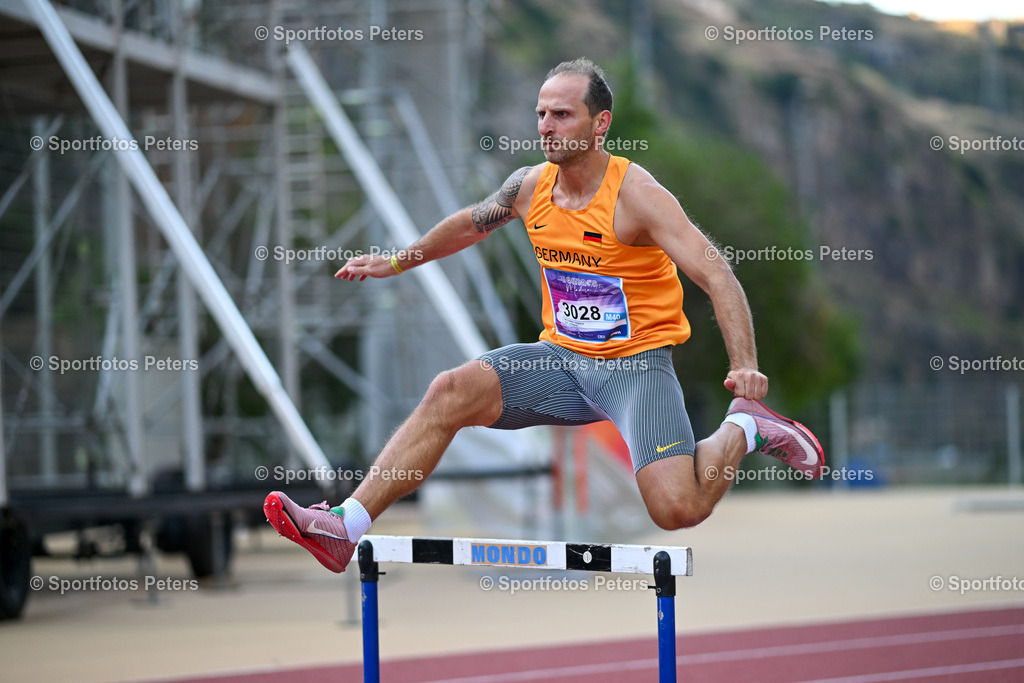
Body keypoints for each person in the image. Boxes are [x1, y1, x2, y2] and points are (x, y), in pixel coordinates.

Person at [264, 58, 823, 573]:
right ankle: (344, 526)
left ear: (600, 123)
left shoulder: (638, 196)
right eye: (541, 114)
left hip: (635, 368)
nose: (546, 126)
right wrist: (398, 260)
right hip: (559, 361)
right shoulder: (531, 186)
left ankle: (747, 427)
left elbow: (716, 273)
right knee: (449, 390)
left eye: (562, 114)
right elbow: (472, 221)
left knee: (676, 509)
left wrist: (745, 367)